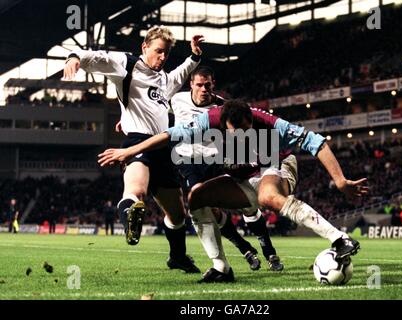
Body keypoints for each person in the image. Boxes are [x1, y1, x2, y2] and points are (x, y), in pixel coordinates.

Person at [98, 99, 368, 283]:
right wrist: (129, 150)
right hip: (244, 176)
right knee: (196, 198)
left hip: (277, 165)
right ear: (221, 124)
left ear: (252, 119)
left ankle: (339, 239)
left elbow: (315, 142)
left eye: (246, 131)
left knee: (267, 196)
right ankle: (221, 268)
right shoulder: (208, 120)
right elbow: (169, 135)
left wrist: (341, 181)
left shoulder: (270, 123)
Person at [64, 26, 204, 273]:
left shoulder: (164, 80)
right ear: (144, 47)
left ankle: (178, 257)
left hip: (162, 146)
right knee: (136, 190)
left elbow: (181, 74)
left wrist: (194, 57)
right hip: (137, 142)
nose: (162, 57)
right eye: (158, 51)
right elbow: (99, 57)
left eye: (166, 54)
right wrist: (75, 57)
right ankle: (130, 221)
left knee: (178, 214)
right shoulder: (126, 65)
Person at [170, 66, 283, 271]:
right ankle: (244, 248)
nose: (204, 89)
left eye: (208, 85)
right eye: (199, 85)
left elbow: (245, 126)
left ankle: (269, 251)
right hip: (188, 161)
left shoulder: (223, 107)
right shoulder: (177, 99)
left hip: (217, 159)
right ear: (191, 85)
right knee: (202, 202)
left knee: (248, 206)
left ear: (213, 85)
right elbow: (158, 112)